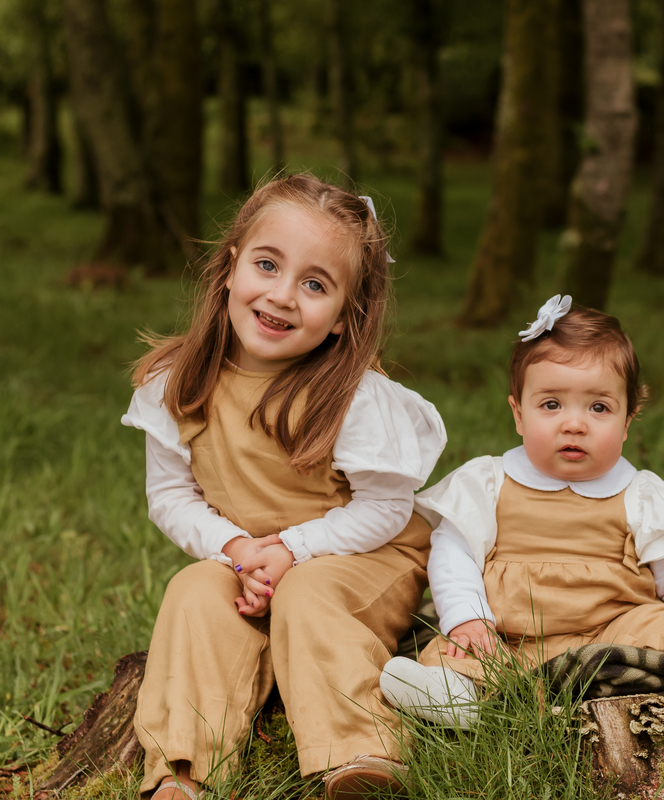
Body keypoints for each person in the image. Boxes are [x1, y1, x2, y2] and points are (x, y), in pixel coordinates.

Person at [121, 174, 446, 800]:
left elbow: (384, 508)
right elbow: (171, 497)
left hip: (360, 557)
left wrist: (291, 550)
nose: (282, 295)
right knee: (192, 592)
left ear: (345, 316)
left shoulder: (351, 398)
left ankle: (358, 754)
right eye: (267, 265)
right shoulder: (177, 381)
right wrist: (239, 551)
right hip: (250, 557)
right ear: (230, 267)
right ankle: (182, 770)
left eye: (315, 284)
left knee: (309, 595)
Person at [380, 295, 664, 728]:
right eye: (551, 404)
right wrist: (468, 618)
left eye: (598, 407)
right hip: (512, 634)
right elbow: (453, 553)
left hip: (612, 627)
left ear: (628, 420)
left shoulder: (640, 494)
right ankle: (454, 697)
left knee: (658, 624)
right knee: (460, 652)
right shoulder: (488, 483)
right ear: (518, 414)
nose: (574, 423)